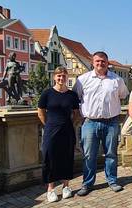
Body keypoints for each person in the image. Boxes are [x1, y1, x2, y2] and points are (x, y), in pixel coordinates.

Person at [73, 51, 129, 196]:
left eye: (103, 61)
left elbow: (123, 96)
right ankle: (87, 183)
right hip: (90, 122)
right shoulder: (82, 79)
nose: (100, 63)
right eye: (97, 61)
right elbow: (76, 98)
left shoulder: (116, 80)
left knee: (111, 154)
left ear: (107, 62)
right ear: (93, 62)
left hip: (111, 122)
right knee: (89, 155)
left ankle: (112, 180)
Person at [37, 67, 80, 202]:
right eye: (59, 76)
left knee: (67, 157)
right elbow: (40, 112)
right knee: (49, 158)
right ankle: (50, 189)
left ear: (67, 78)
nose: (61, 78)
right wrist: (49, 124)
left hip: (67, 130)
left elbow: (76, 114)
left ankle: (66, 186)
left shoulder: (72, 95)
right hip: (51, 130)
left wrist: (69, 124)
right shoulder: (47, 93)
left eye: (64, 76)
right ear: (54, 77)